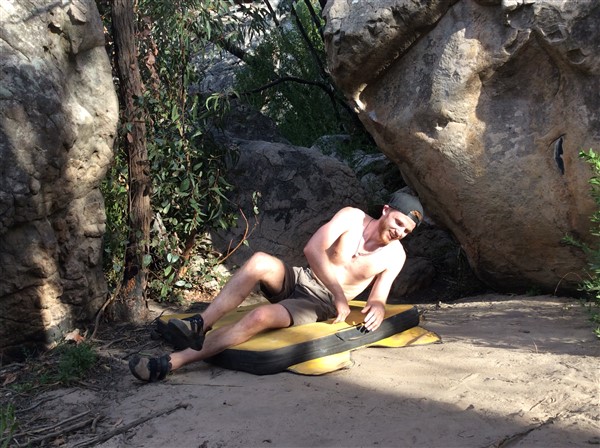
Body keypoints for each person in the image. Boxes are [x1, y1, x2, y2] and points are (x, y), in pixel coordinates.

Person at [129, 191, 424, 382]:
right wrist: (340, 294)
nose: (399, 232)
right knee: (259, 261)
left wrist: (376, 306)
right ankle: (200, 323)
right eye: (398, 222)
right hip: (303, 277)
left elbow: (379, 297)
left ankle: (170, 363)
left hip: (319, 304)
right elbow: (312, 249)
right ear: (386, 210)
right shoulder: (351, 217)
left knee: (260, 317)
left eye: (406, 231)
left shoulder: (396, 255)